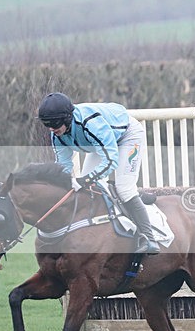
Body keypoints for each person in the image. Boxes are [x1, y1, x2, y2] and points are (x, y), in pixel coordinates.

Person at [37, 92, 160, 255]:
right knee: (87, 188)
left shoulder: (91, 124)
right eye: (48, 125)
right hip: (97, 143)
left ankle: (150, 238)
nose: (52, 129)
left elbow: (110, 162)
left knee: (124, 188)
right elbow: (64, 167)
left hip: (127, 136)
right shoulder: (57, 136)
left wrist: (83, 179)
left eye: (55, 124)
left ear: (67, 118)